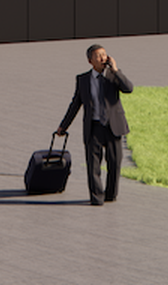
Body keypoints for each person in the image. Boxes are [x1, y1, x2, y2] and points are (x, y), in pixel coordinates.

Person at [56, 44, 135, 206]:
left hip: (113, 127)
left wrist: (115, 70)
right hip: (94, 127)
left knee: (114, 163)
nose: (102, 58)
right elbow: (75, 104)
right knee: (93, 165)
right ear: (90, 61)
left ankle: (111, 194)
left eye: (104, 54)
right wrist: (63, 126)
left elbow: (129, 89)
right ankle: (96, 198)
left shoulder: (113, 76)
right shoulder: (83, 80)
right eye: (98, 56)